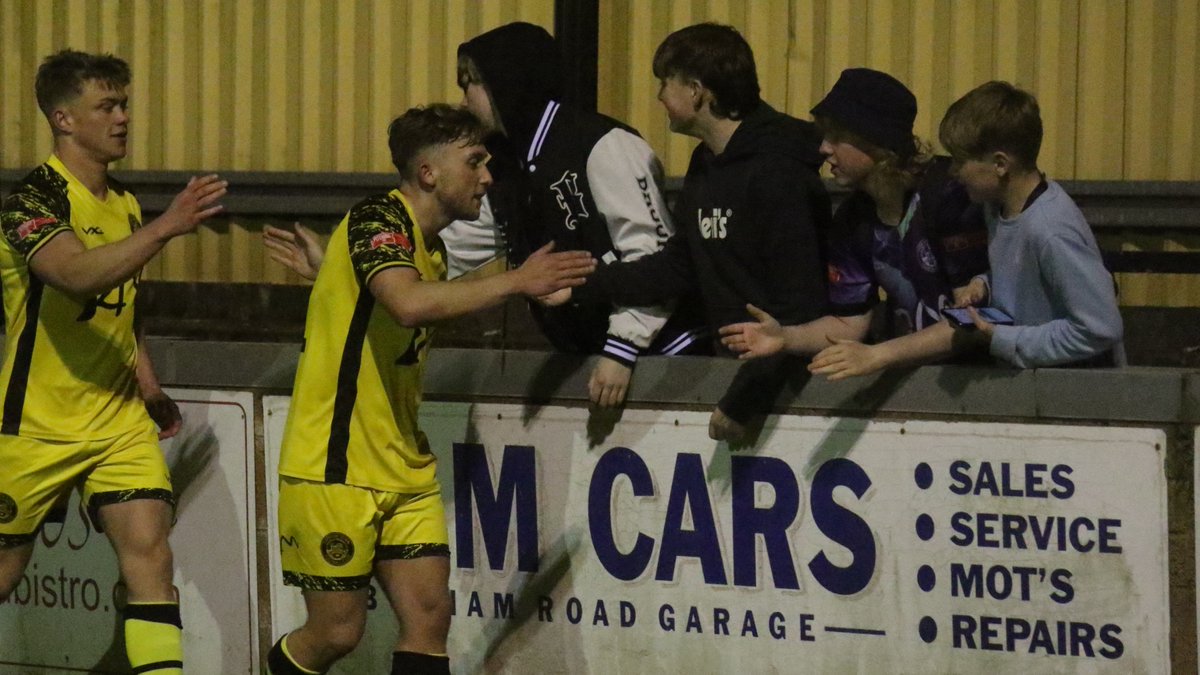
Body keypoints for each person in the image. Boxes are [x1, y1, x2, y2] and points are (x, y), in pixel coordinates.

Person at [265, 104, 594, 675]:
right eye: (474, 162)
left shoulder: (429, 249)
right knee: (337, 633)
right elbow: (409, 304)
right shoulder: (376, 219)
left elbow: (386, 302)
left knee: (429, 617)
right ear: (428, 174)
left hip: (403, 466)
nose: (487, 177)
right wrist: (518, 280)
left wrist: (332, 273)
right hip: (336, 466)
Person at [266, 21, 700, 409]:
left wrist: (621, 348)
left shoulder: (603, 145)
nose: (463, 98)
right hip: (594, 366)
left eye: (471, 83)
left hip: (665, 361)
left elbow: (655, 256)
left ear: (509, 82)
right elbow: (445, 255)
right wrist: (347, 269)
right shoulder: (506, 167)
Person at [0, 50, 228, 674]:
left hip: (117, 422)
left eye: (124, 104)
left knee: (151, 555)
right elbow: (74, 275)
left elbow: (120, 307)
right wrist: (165, 228)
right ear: (64, 118)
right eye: (107, 106)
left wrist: (148, 385)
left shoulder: (123, 202)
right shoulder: (32, 201)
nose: (123, 118)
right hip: (35, 424)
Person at [556, 23, 831, 442]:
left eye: (666, 83)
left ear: (698, 91)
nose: (659, 97)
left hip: (789, 394)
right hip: (736, 376)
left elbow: (799, 305)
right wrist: (581, 285)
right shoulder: (708, 164)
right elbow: (679, 266)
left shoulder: (778, 172)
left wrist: (744, 398)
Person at [806, 80, 1123, 380]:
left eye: (960, 161)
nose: (953, 172)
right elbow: (1025, 277)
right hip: (1035, 382)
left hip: (1076, 391)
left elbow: (1099, 329)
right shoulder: (999, 209)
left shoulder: (1051, 231)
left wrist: (1004, 339)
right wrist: (983, 284)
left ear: (1000, 164)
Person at [719, 68, 989, 361]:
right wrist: (785, 337)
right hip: (922, 379)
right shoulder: (853, 219)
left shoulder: (949, 194)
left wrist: (878, 355)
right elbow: (849, 322)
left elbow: (972, 321)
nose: (823, 148)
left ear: (875, 140)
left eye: (836, 136)